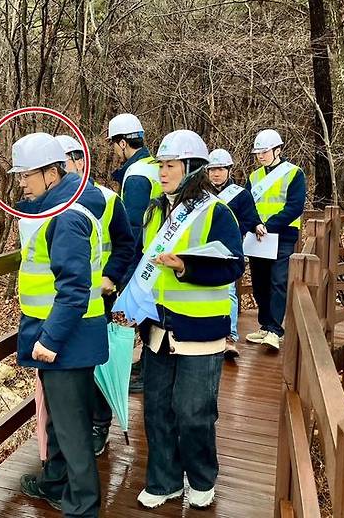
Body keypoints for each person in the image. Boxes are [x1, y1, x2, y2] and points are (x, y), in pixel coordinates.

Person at [134, 130, 244, 510]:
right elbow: (141, 262)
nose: (162, 173)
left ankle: (200, 477)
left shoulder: (216, 212)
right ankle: (164, 480)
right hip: (158, 329)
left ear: (192, 168)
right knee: (157, 408)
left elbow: (233, 266)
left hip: (200, 331)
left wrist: (186, 267)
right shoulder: (154, 211)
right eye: (160, 166)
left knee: (194, 411)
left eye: (170, 166)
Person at [10, 132, 107, 517]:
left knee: (71, 429)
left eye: (27, 175)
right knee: (63, 422)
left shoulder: (67, 218)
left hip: (66, 339)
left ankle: (83, 507)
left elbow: (74, 288)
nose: (21, 183)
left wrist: (49, 340)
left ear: (52, 173)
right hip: (67, 335)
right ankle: (57, 485)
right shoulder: (62, 208)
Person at [56, 134, 135, 456]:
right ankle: (68, 428)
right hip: (56, 300)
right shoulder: (46, 203)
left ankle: (99, 425)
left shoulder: (106, 198)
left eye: (62, 164)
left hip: (94, 298)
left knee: (94, 361)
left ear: (79, 162)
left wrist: (110, 277)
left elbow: (126, 244)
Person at [108, 113, 163, 392]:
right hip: (156, 250)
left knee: (144, 313)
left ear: (121, 143)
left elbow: (132, 224)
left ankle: (149, 371)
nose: (114, 151)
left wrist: (125, 269)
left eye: (113, 145)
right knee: (148, 313)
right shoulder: (152, 165)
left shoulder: (138, 174)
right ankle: (147, 363)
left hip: (143, 255)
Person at [244, 129, 306, 351]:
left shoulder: (294, 174)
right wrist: (254, 224)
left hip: (282, 235)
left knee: (278, 281)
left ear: (278, 150)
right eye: (258, 152)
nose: (261, 156)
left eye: (265, 151)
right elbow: (247, 205)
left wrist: (268, 226)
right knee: (260, 282)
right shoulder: (254, 177)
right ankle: (265, 324)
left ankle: (275, 330)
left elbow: (294, 207)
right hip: (258, 236)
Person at [206, 148, 263, 359]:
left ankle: (230, 337)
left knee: (228, 291)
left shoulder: (240, 195)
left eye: (220, 169)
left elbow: (251, 217)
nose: (216, 173)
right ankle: (210, 334)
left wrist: (256, 226)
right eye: (212, 169)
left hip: (229, 250)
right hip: (203, 249)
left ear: (229, 170)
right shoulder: (200, 193)